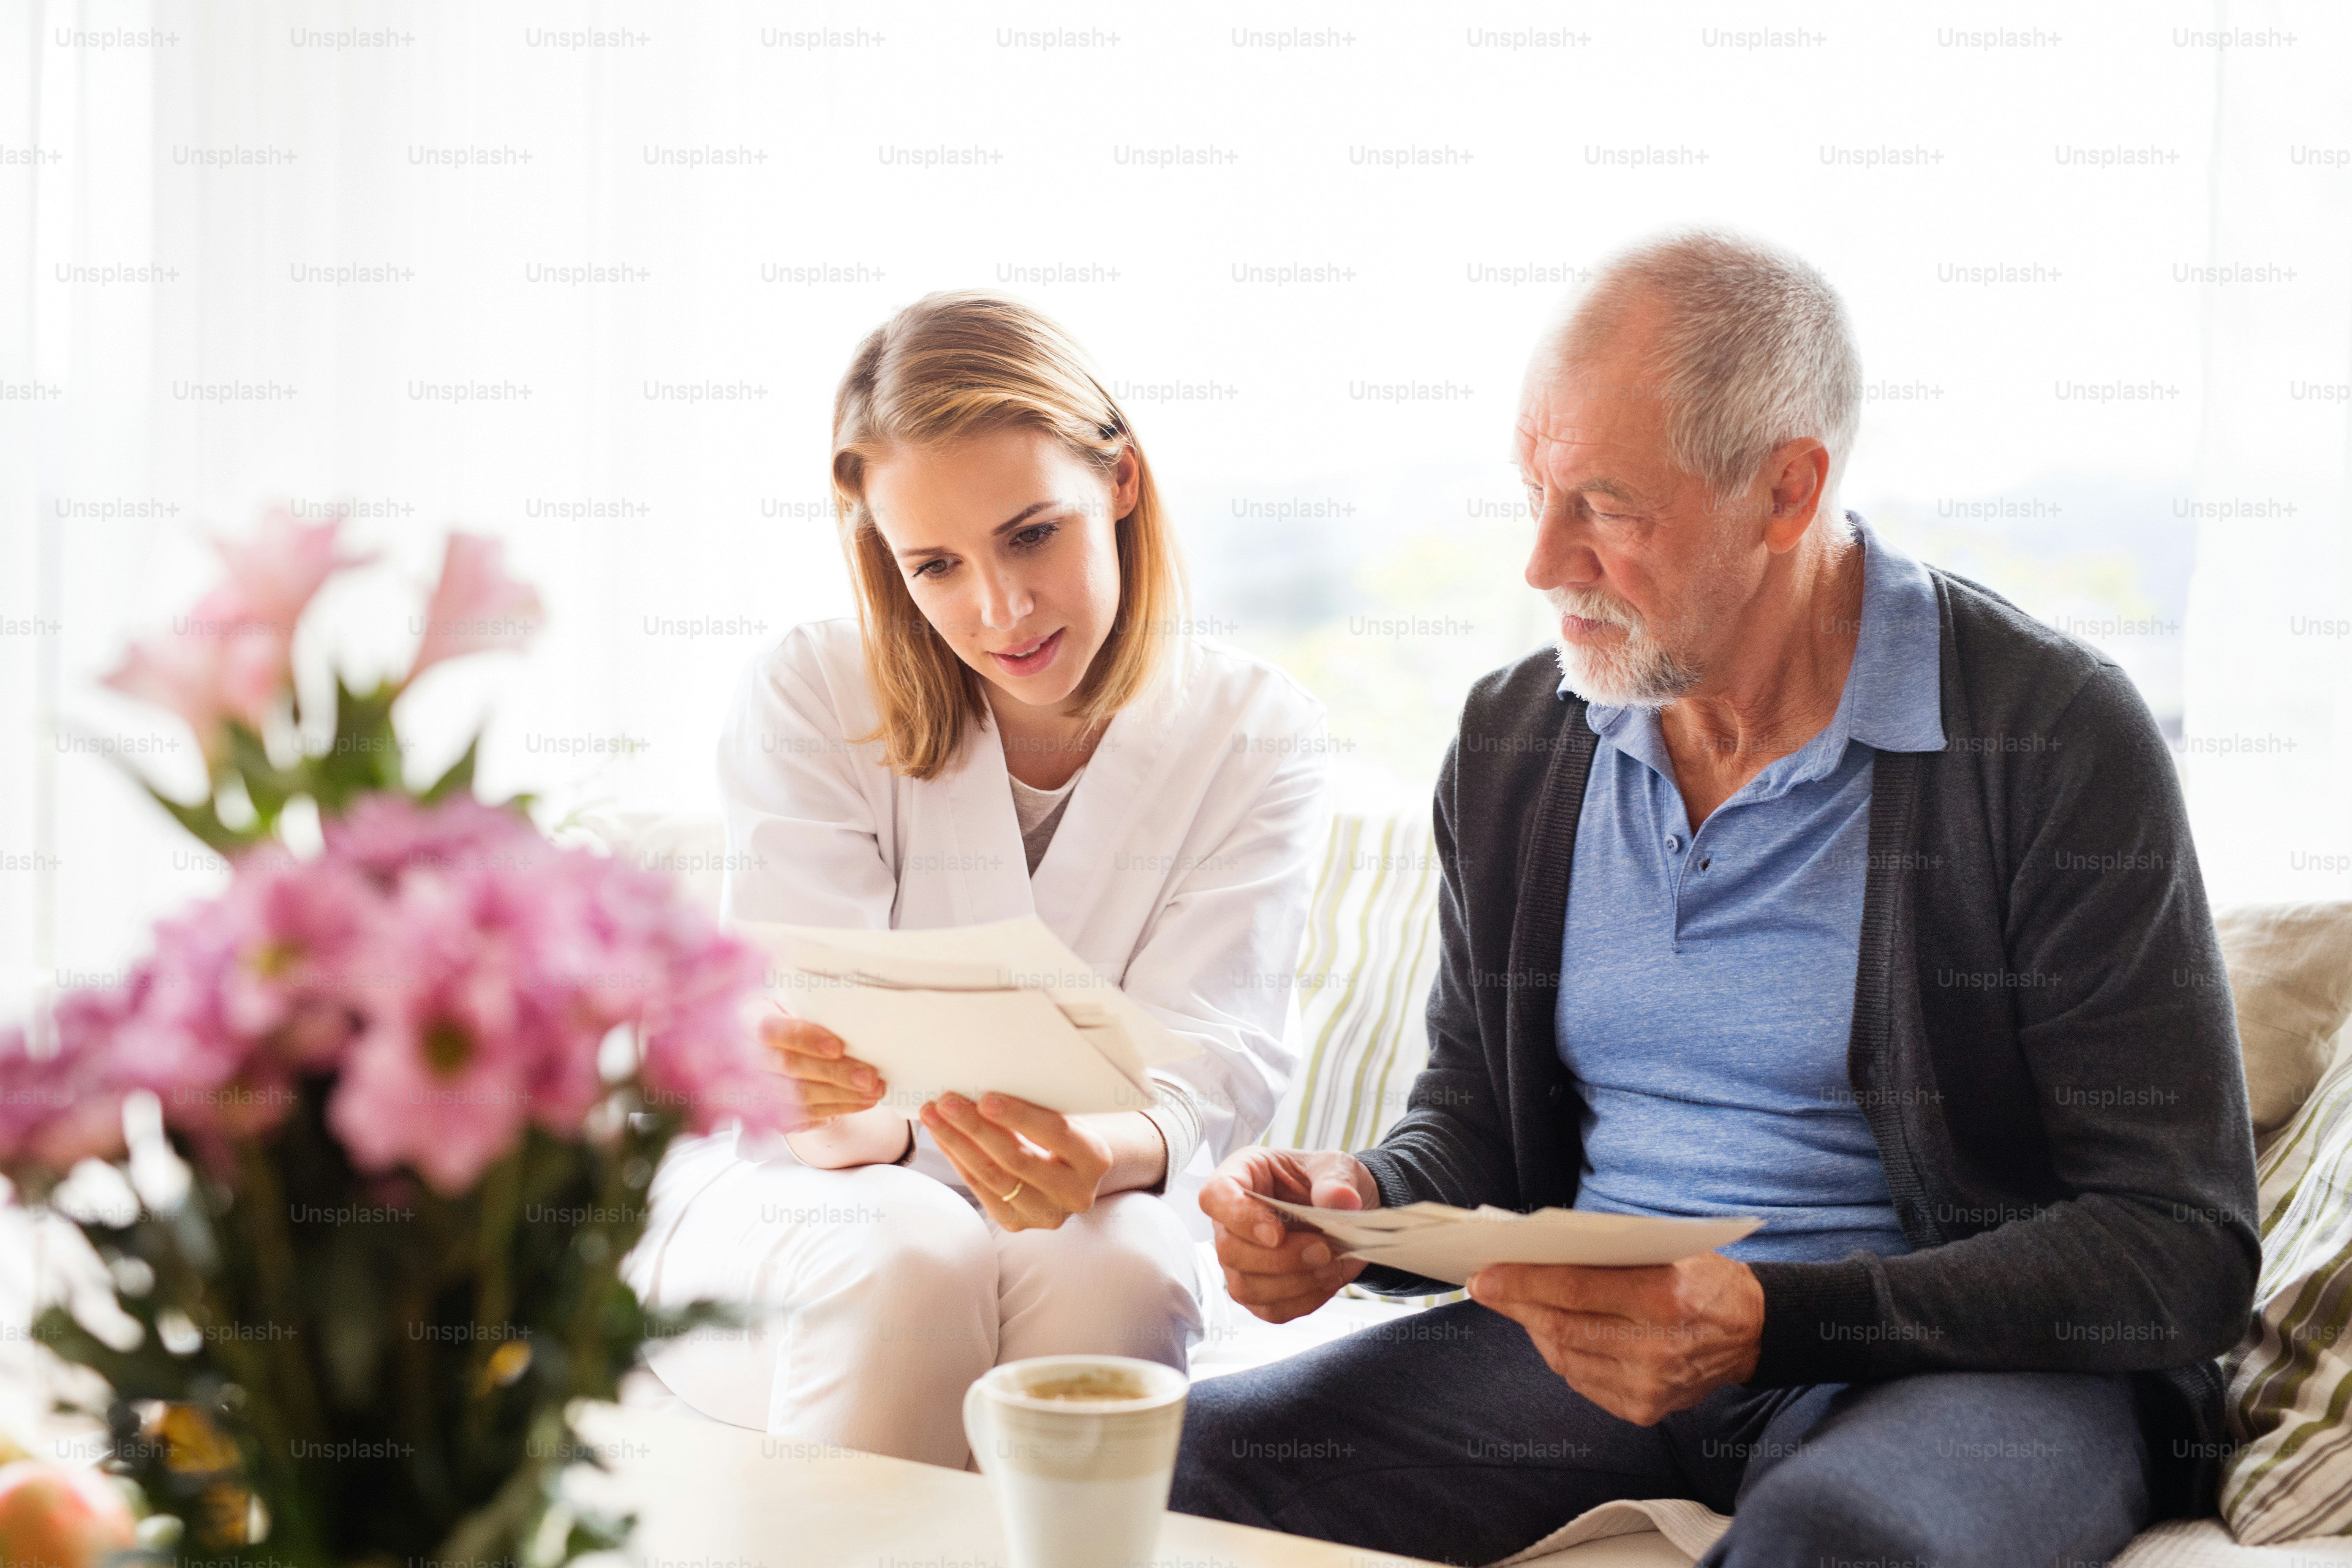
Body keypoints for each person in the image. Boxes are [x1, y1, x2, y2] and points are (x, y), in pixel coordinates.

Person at [1173, 231, 2259, 1567]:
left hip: (1967, 1365)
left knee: (1834, 1543)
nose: (1542, 563)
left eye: (1608, 509)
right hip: (1598, 1352)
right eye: (1534, 491)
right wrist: (1355, 1208)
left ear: (1786, 491)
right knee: (1185, 1462)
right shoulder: (1521, 743)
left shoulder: (2048, 739)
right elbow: (1476, 1132)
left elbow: (2180, 1240)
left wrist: (1777, 1318)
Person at [625, 291, 1328, 1468]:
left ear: (1122, 482)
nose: (999, 611)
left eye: (1031, 534)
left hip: (1098, 1183)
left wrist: (1104, 1153)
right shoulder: (815, 691)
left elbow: (1216, 1051)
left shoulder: (1254, 730)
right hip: (808, 1199)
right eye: (935, 565)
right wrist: (816, 1096)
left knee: (1123, 1268)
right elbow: (822, 1061)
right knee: (906, 1256)